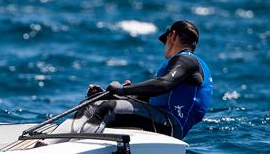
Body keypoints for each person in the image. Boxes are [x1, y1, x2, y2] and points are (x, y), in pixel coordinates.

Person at [64, 20, 213, 139]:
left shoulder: (186, 60)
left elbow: (164, 84)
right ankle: (58, 142)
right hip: (161, 121)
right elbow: (159, 97)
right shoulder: (188, 64)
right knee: (94, 103)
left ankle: (67, 149)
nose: (165, 47)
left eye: (165, 40)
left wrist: (123, 90)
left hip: (170, 126)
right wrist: (112, 94)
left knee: (106, 108)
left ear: (172, 35)